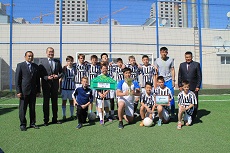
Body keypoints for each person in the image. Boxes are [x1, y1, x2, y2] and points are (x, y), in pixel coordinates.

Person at [15, 51, 40, 131]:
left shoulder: (35, 66)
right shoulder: (20, 65)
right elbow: (17, 80)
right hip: (23, 91)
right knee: (23, 109)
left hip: (33, 91)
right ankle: (23, 124)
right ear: (25, 57)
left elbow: (37, 80)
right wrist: (18, 91)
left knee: (32, 108)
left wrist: (38, 90)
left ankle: (32, 123)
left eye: (31, 56)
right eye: (29, 56)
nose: (30, 58)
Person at [39, 47, 62, 126]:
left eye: (52, 52)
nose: (51, 53)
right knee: (46, 103)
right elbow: (40, 73)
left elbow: (61, 73)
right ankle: (46, 120)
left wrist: (57, 76)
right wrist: (46, 77)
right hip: (46, 85)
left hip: (55, 85)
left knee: (55, 102)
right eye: (49, 52)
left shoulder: (57, 62)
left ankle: (55, 119)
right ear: (46, 53)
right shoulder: (42, 61)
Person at [178, 51, 202, 120]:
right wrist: (180, 85)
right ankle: (185, 115)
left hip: (193, 87)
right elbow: (180, 76)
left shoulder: (196, 64)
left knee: (194, 102)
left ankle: (193, 116)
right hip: (184, 87)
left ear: (192, 57)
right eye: (186, 57)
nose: (188, 58)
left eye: (189, 57)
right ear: (185, 57)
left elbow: (199, 76)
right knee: (184, 101)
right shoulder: (182, 65)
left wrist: (198, 86)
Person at [155, 47, 175, 117]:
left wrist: (173, 80)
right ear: (160, 52)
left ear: (167, 52)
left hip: (169, 80)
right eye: (162, 52)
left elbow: (172, 69)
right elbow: (156, 72)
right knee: (159, 96)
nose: (164, 53)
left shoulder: (171, 60)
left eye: (165, 52)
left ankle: (172, 112)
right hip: (160, 81)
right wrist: (156, 83)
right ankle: (160, 111)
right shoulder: (157, 60)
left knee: (171, 96)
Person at [100, 53, 116, 119]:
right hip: (103, 84)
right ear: (101, 59)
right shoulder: (99, 66)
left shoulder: (111, 65)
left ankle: (111, 113)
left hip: (111, 84)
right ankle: (100, 113)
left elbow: (120, 66)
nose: (105, 58)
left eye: (106, 57)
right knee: (101, 99)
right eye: (103, 57)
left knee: (111, 99)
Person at [60, 56, 76, 121]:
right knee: (64, 101)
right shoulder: (64, 69)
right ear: (66, 61)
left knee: (71, 102)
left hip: (72, 88)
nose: (70, 62)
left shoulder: (74, 69)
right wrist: (60, 88)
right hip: (64, 88)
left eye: (71, 61)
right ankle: (64, 115)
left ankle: (71, 115)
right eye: (68, 61)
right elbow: (61, 79)